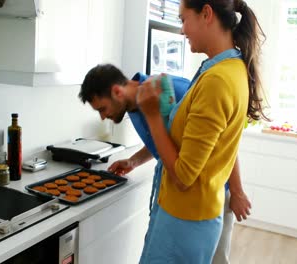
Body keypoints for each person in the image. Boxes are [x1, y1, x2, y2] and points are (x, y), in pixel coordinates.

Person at [134, 0, 269, 262]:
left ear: (206, 14)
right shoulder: (228, 69)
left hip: (184, 220)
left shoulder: (217, 80)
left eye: (184, 20)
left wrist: (152, 116)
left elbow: (184, 176)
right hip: (190, 215)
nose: (182, 31)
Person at [79, 63, 252, 263]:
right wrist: (134, 161)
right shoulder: (134, 106)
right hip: (178, 198)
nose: (102, 117)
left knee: (216, 260)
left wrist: (237, 191)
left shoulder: (171, 91)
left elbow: (225, 140)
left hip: (212, 194)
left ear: (117, 92)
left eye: (102, 109)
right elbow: (167, 142)